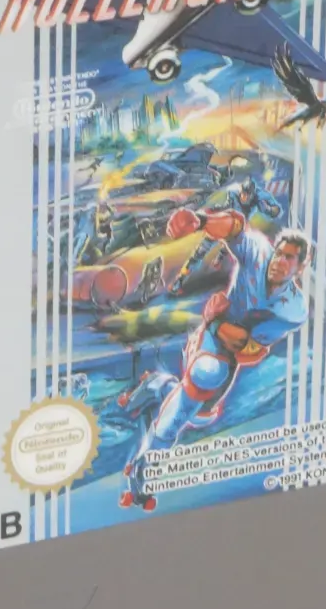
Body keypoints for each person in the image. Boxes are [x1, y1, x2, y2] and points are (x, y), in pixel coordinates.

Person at [120, 207, 310, 511]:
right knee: (206, 375)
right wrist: (201, 221)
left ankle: (158, 386)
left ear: (301, 266)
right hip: (210, 343)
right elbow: (234, 227)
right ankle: (146, 466)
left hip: (226, 344)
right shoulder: (259, 253)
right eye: (280, 254)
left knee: (201, 414)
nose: (280, 261)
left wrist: (216, 319)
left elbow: (246, 348)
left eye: (290, 258)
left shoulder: (293, 310)